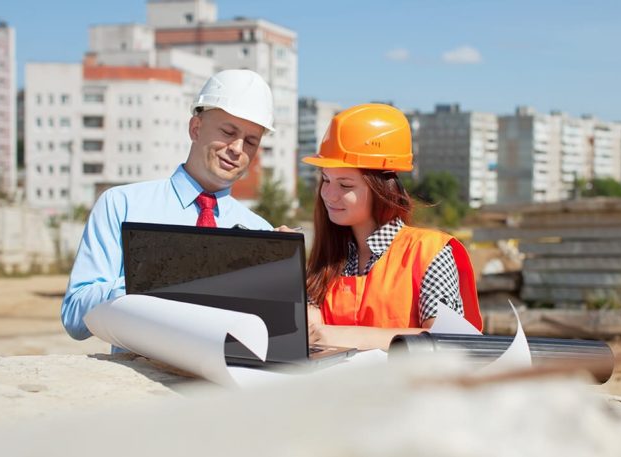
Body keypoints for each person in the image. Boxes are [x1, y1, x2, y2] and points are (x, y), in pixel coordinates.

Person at [61, 69, 275, 341]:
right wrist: (152, 281)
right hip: (142, 379)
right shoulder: (122, 205)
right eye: (228, 131)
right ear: (195, 128)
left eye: (251, 141)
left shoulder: (261, 233)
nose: (237, 148)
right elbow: (74, 319)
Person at [301, 103, 482, 351]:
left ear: (381, 189)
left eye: (345, 185)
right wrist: (288, 271)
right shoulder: (327, 259)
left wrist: (344, 336)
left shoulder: (429, 252)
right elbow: (310, 335)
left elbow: (447, 341)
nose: (329, 195)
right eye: (326, 179)